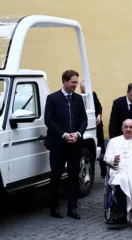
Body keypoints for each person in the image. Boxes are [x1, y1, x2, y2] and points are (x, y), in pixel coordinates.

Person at [44, 69, 87, 220]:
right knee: (55, 176)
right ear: (65, 81)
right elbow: (48, 120)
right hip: (58, 144)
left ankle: (72, 208)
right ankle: (54, 208)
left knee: (74, 176)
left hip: (75, 144)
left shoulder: (78, 99)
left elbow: (84, 120)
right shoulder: (52, 98)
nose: (75, 85)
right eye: (73, 82)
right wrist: (63, 135)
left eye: (76, 82)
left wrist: (78, 134)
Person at [80, 80, 106, 177]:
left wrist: (99, 115)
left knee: (101, 148)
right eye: (85, 87)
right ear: (81, 88)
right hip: (87, 126)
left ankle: (104, 171)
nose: (88, 89)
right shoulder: (78, 97)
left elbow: (99, 106)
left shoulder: (93, 94)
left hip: (97, 125)